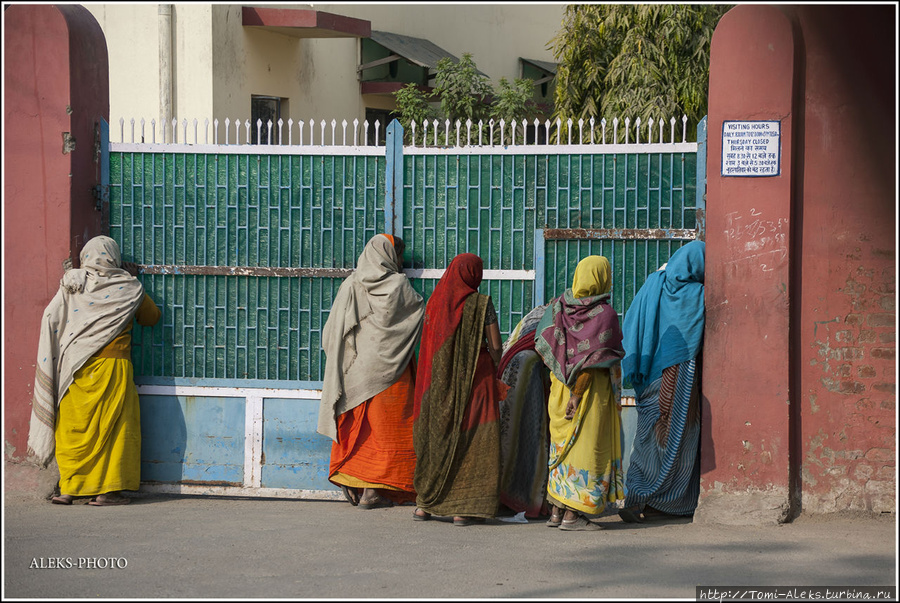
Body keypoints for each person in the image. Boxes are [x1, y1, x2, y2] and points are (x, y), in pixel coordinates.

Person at [27, 235, 161, 506]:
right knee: (115, 429)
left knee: (73, 428)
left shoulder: (72, 284)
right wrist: (131, 279)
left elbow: (51, 316)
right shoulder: (129, 287)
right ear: (114, 257)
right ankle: (107, 492)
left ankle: (70, 489)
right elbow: (151, 318)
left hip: (75, 368)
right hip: (114, 369)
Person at [318, 234, 424, 509]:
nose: (401, 262)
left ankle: (358, 482)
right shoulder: (400, 285)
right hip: (394, 375)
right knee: (392, 431)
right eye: (399, 256)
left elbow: (332, 333)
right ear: (391, 256)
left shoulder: (351, 285)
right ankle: (375, 491)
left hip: (356, 373)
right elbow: (417, 314)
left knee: (361, 428)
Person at [412, 253, 508, 526]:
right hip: (477, 381)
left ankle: (424, 505)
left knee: (439, 438)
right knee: (475, 440)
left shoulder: (435, 302)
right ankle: (463, 509)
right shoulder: (481, 304)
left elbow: (429, 346)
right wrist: (494, 365)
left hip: (438, 387)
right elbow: (497, 346)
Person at [534, 255, 626, 531]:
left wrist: (566, 388)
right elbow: (593, 362)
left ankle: (556, 511)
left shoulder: (557, 308)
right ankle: (574, 515)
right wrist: (577, 394)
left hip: (559, 390)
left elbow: (543, 343)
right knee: (585, 449)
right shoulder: (605, 315)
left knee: (562, 449)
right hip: (588, 393)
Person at [619, 240, 706, 523]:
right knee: (676, 436)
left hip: (648, 376)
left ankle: (636, 494)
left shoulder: (653, 284)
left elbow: (632, 324)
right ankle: (665, 502)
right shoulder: (693, 292)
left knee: (645, 437)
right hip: (677, 377)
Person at [496, 303, 552, 519]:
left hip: (508, 378)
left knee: (508, 440)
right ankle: (526, 498)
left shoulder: (533, 317)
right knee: (530, 442)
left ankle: (503, 496)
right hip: (529, 377)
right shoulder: (556, 319)